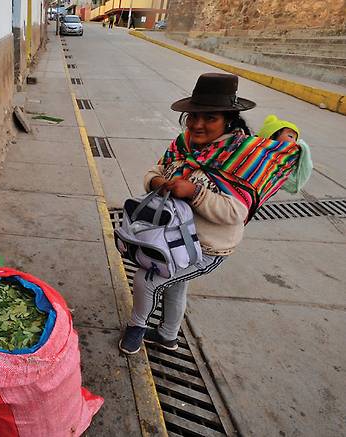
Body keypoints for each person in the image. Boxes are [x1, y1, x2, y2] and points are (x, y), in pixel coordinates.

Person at [119, 73, 300, 354]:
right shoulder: (183, 144)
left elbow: (235, 212)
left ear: (229, 119)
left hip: (206, 249)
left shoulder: (243, 156)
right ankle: (168, 336)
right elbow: (153, 171)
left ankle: (136, 328)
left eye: (210, 118)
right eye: (193, 117)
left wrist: (194, 193)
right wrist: (159, 183)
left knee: (147, 279)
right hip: (171, 238)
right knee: (176, 286)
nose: (197, 125)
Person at [257, 114, 312, 194]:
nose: (294, 142)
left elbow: (292, 184)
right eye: (290, 136)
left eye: (295, 139)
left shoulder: (282, 161)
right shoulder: (258, 155)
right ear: (271, 136)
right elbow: (293, 184)